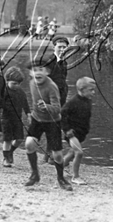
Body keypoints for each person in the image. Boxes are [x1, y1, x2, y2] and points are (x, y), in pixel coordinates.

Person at [24, 57, 72, 190]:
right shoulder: (32, 82)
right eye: (34, 70)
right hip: (36, 119)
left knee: (56, 154)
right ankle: (35, 174)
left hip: (52, 121)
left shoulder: (52, 87)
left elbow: (57, 108)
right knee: (29, 144)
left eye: (41, 69)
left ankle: (61, 178)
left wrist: (47, 107)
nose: (37, 73)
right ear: (30, 73)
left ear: (47, 72)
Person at [61, 77, 96, 185]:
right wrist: (67, 130)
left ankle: (60, 168)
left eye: (94, 90)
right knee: (79, 152)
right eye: (91, 90)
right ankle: (75, 177)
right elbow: (62, 115)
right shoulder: (73, 102)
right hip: (72, 133)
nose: (93, 92)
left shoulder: (88, 101)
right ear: (82, 89)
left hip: (81, 133)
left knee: (72, 153)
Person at [42, 35, 69, 163]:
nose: (62, 49)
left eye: (64, 47)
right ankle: (52, 155)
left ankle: (49, 154)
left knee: (56, 125)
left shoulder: (64, 62)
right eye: (60, 47)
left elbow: (62, 79)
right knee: (53, 126)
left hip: (61, 98)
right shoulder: (48, 61)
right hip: (51, 99)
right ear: (54, 47)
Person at [1, 66, 32, 167]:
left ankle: (10, 152)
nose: (16, 86)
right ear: (7, 81)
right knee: (7, 139)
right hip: (6, 118)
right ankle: (6, 158)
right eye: (13, 83)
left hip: (17, 118)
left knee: (19, 139)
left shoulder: (20, 92)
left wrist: (28, 114)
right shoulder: (4, 91)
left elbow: (25, 104)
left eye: (18, 84)